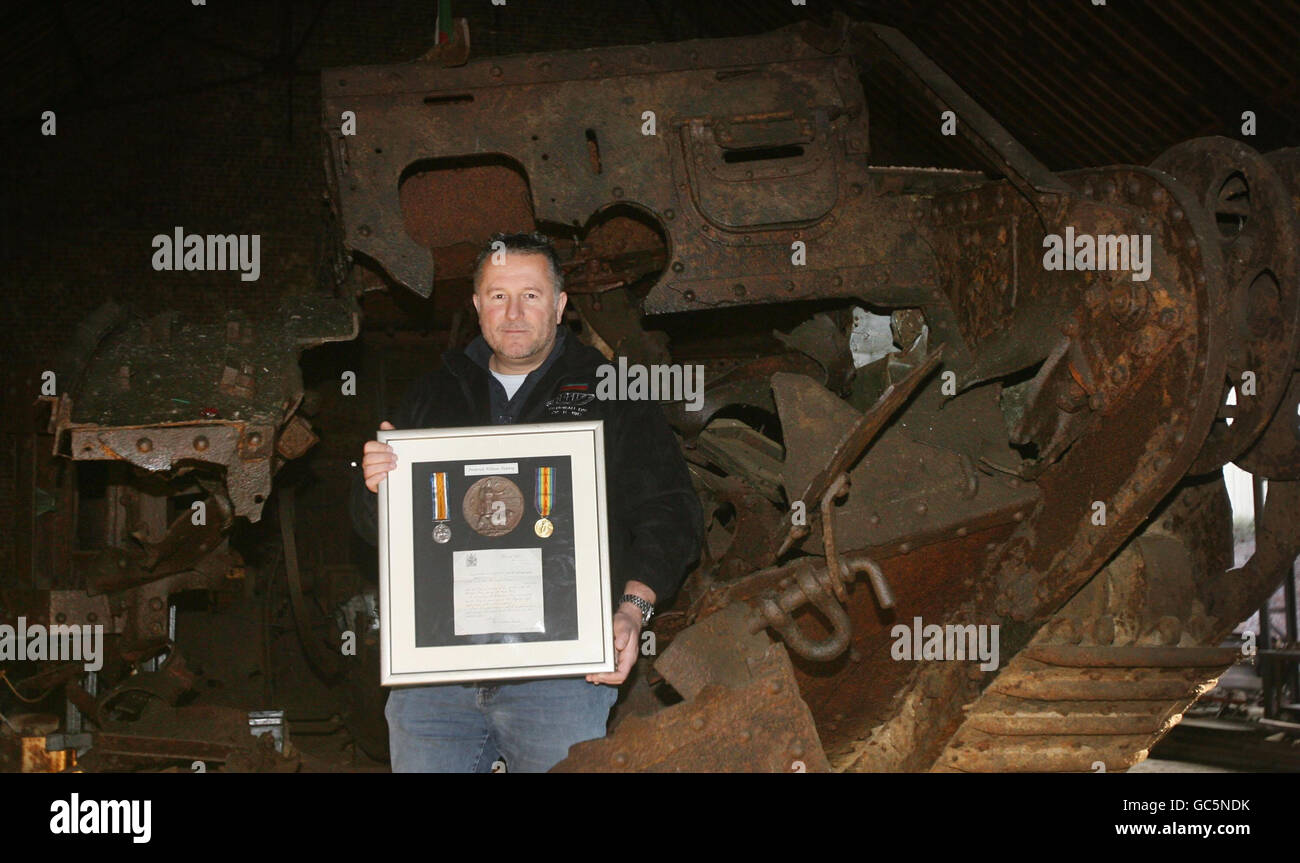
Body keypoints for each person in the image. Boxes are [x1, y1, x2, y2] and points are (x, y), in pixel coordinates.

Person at [350, 231, 702, 772]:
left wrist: (634, 611)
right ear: (476, 306)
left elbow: (670, 511)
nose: (513, 312)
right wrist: (374, 486)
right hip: (436, 683)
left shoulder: (615, 392)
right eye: (497, 295)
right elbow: (377, 529)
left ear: (560, 305)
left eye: (531, 295)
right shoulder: (432, 394)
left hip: (560, 679)